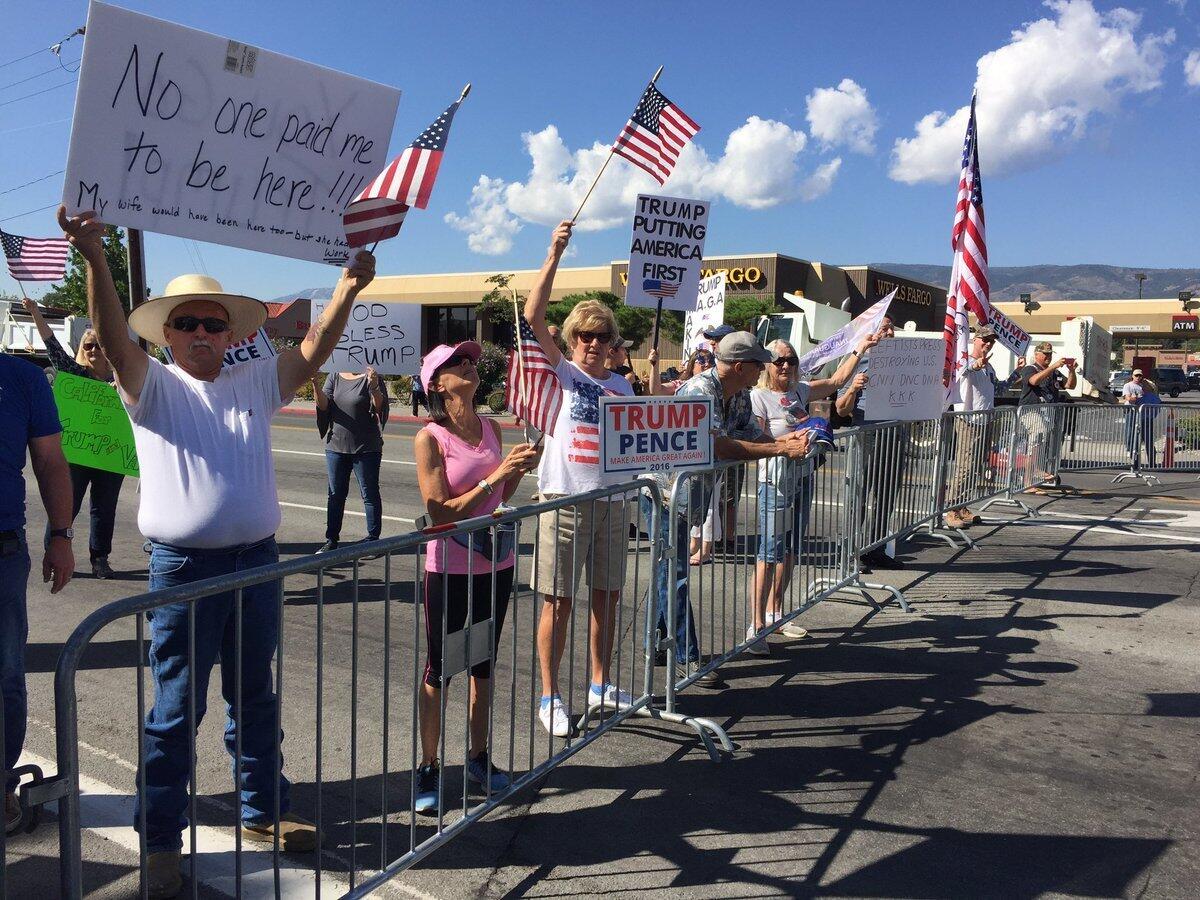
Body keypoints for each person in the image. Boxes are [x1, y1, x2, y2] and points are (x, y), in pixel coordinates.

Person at [59, 204, 374, 899]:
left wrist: (349, 289)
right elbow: (113, 338)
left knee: (254, 695)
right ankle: (162, 841)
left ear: (230, 333)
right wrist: (92, 256)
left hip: (255, 563)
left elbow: (315, 349)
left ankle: (261, 810)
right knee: (175, 710)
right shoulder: (151, 386)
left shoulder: (254, 382)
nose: (200, 332)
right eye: (186, 322)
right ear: (166, 334)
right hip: (182, 570)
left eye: (211, 323)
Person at [412, 342, 540, 813]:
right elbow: (439, 513)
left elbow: (499, 493)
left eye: (469, 362)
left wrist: (518, 471)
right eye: (455, 364)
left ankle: (479, 758)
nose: (468, 367)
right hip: (449, 565)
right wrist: (495, 478)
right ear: (437, 383)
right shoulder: (430, 437)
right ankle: (428, 765)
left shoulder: (491, 427)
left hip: (496, 562)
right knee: (441, 668)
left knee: (483, 662)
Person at [523, 220, 637, 737]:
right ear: (570, 340)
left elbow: (641, 443)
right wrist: (554, 254)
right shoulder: (562, 373)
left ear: (612, 342)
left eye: (601, 336)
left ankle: (600, 683)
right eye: (583, 335)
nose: (592, 343)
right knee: (557, 600)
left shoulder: (622, 386)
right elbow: (531, 315)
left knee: (607, 596)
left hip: (612, 503)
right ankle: (549, 693)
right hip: (563, 500)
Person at [672, 333, 810, 658]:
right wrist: (779, 448)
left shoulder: (739, 394)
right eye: (758, 363)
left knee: (669, 571)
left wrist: (785, 443)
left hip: (694, 493)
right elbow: (718, 444)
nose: (764, 369)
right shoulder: (700, 391)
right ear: (739, 367)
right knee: (673, 573)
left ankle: (660, 642)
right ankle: (686, 656)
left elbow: (752, 433)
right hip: (668, 492)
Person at [749, 334, 877, 647]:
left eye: (791, 360)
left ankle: (775, 614)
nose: (785, 365)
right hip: (776, 485)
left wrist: (861, 348)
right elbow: (758, 441)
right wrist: (792, 440)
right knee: (768, 553)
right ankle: (755, 628)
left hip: (803, 479)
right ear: (767, 364)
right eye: (778, 360)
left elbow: (836, 380)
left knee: (790, 550)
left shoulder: (800, 390)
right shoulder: (758, 397)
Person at [2, 350, 74, 835]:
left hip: (3, 553)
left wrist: (62, 536)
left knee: (6, 677)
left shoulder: (22, 379)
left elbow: (50, 462)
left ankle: (1, 786)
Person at [20, 298, 125, 578]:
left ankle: (100, 558)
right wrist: (35, 313)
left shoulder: (123, 380)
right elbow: (52, 345)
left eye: (98, 346)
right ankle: (53, 552)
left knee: (104, 509)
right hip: (76, 454)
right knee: (66, 504)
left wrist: (122, 389)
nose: (92, 351)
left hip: (110, 454)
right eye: (87, 346)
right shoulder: (74, 374)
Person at [834, 315, 905, 569]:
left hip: (894, 434)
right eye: (884, 328)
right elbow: (841, 410)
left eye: (892, 329)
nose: (889, 333)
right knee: (859, 493)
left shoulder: (904, 361)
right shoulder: (856, 358)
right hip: (866, 433)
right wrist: (853, 388)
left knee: (886, 494)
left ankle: (875, 548)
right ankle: (851, 552)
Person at [312, 366, 389, 553]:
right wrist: (315, 383)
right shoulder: (335, 375)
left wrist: (374, 387)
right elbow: (324, 405)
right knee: (335, 495)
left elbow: (379, 407)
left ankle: (373, 540)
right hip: (336, 447)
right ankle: (331, 539)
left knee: (369, 493)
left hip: (366, 448)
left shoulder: (372, 375)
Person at [945, 325, 1016, 528]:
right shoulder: (966, 360)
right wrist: (976, 365)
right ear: (974, 339)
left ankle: (962, 505)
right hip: (969, 420)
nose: (987, 343)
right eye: (984, 339)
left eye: (991, 341)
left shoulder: (989, 366)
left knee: (976, 468)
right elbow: (965, 369)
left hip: (985, 421)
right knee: (965, 467)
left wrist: (1016, 373)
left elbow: (999, 387)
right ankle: (950, 509)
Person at [1016, 341, 1076, 490]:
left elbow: (1069, 386)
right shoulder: (1030, 368)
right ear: (1037, 355)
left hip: (1047, 412)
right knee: (1037, 436)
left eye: (1050, 354)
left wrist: (1071, 371)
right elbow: (1034, 381)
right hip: (1031, 411)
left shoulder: (1053, 372)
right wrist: (1053, 366)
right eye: (1045, 354)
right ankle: (1029, 478)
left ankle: (1035, 473)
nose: (1048, 356)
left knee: (1042, 444)